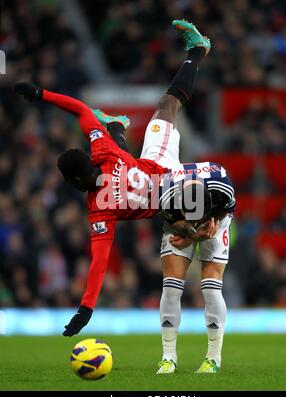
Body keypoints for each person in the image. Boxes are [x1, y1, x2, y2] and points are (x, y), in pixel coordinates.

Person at [15, 20, 217, 337]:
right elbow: (81, 110)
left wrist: (86, 308)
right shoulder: (101, 152)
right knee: (167, 105)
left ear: (76, 183)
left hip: (165, 173)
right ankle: (119, 125)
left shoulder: (100, 209)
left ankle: (196, 51)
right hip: (162, 177)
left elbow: (99, 262)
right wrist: (42, 94)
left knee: (194, 220)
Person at [91, 21, 236, 374]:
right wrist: (187, 230)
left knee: (210, 285)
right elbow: (171, 219)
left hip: (211, 212)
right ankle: (168, 357)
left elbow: (211, 217)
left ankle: (212, 359)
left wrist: (204, 231)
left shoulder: (222, 193)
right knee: (171, 285)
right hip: (170, 182)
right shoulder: (166, 192)